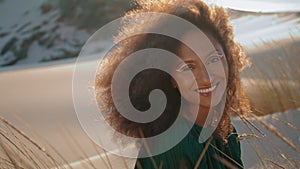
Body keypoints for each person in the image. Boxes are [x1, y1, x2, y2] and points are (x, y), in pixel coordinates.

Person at [95, 0, 251, 168]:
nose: (206, 77)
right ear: (170, 78)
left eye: (213, 59)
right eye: (188, 67)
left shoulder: (225, 130)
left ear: (228, 58)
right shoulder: (175, 145)